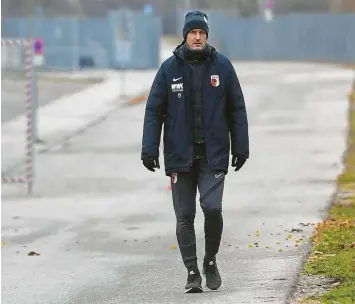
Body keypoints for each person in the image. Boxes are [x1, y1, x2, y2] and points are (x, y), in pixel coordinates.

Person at [141, 10, 249, 293]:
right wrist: (149, 148)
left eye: (202, 33)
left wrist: (241, 146)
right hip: (180, 157)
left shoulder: (223, 67)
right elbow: (154, 111)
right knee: (184, 216)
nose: (198, 37)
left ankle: (210, 261)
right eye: (193, 33)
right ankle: (192, 273)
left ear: (207, 36)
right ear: (185, 36)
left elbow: (236, 108)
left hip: (213, 154)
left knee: (212, 209)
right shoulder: (168, 69)